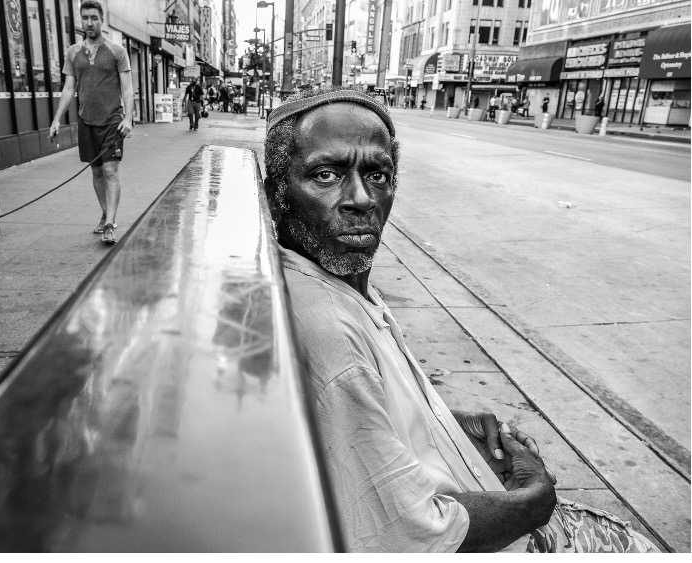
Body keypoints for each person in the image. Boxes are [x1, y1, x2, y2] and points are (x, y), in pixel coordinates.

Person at [262, 85, 659, 554]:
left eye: (377, 174)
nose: (361, 199)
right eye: (326, 175)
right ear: (277, 195)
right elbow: (409, 534)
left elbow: (360, 426)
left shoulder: (334, 286)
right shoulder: (331, 331)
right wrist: (535, 503)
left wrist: (441, 423)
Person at [49, 0, 132, 245]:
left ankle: (110, 225)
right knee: (96, 171)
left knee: (110, 171)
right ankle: (106, 213)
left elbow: (127, 89)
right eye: (85, 18)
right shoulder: (73, 53)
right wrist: (56, 119)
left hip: (112, 122)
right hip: (86, 121)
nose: (89, 22)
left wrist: (129, 118)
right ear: (81, 20)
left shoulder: (117, 51)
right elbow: (69, 88)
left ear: (101, 20)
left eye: (94, 18)